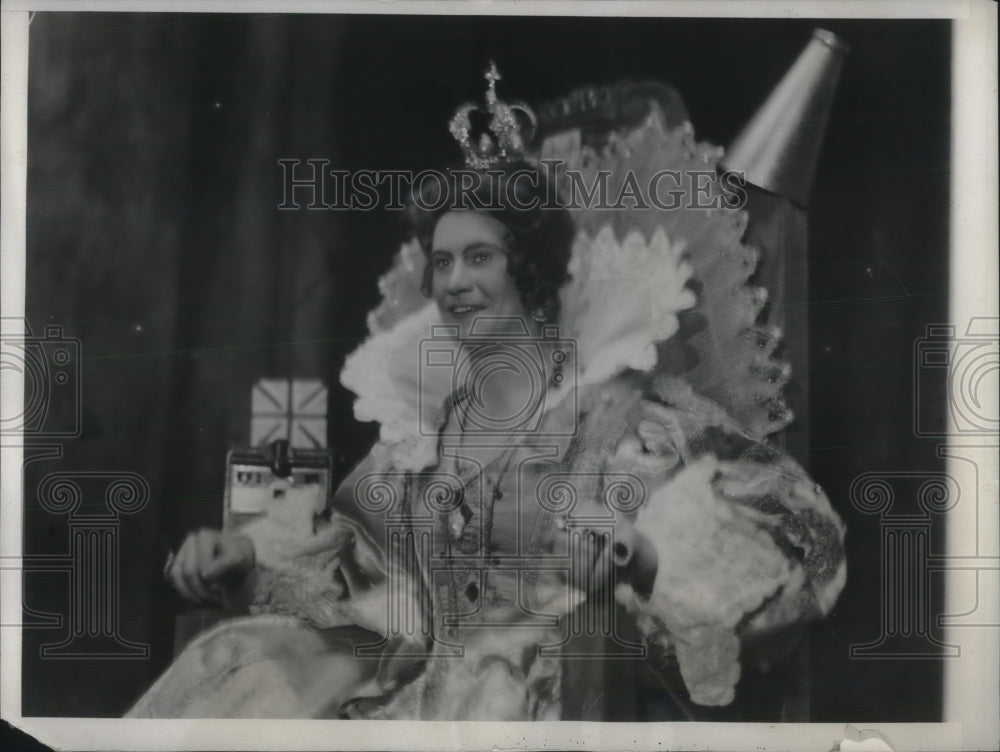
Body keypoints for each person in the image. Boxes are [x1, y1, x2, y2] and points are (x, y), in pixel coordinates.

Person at [128, 66, 846, 721]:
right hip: (399, 674)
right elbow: (348, 559)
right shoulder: (427, 432)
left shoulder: (625, 420)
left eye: (479, 257)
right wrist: (246, 559)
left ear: (530, 273)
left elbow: (795, 547)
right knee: (241, 669)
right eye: (441, 263)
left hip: (532, 694)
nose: (453, 282)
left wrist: (637, 553)